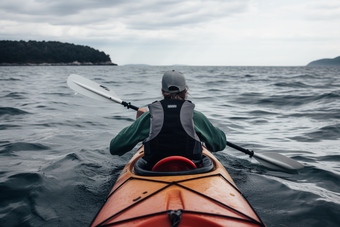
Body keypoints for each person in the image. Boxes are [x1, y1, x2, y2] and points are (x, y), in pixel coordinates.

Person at [110, 70, 226, 169]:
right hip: (193, 170)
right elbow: (219, 144)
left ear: (162, 91)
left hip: (153, 172)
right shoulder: (196, 116)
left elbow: (115, 148)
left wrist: (138, 122)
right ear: (185, 91)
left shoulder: (149, 117)